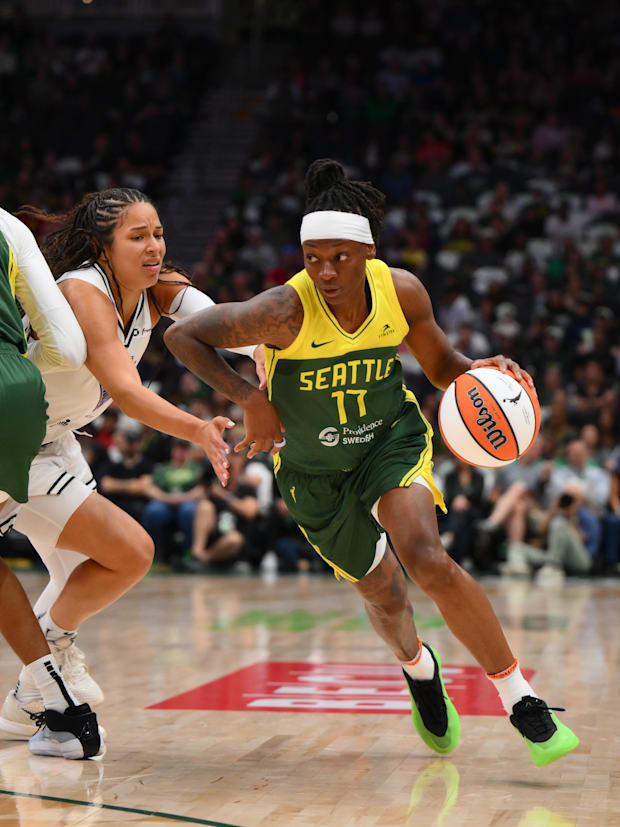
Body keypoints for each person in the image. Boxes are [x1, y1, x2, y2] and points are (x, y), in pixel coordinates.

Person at [165, 159, 579, 767]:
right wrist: (252, 399)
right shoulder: (282, 310)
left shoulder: (401, 291)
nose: (326, 272)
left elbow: (442, 369)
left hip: (389, 439)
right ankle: (418, 670)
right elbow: (183, 338)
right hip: (312, 471)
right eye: (313, 258)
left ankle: (521, 700)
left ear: (368, 252)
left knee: (428, 559)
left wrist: (488, 374)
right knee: (384, 594)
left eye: (340, 258)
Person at [0, 188, 262, 740]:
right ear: (102, 247)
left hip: (54, 446)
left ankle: (30, 695)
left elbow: (224, 326)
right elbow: (127, 391)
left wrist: (268, 358)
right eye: (137, 237)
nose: (154, 247)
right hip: (15, 446)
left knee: (105, 567)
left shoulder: (156, 287)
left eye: (159, 233)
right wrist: (198, 428)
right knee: (117, 558)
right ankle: (44, 677)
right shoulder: (83, 292)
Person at [0, 207, 102, 758]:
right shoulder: (9, 228)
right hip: (23, 400)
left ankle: (55, 701)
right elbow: (65, 348)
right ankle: (55, 701)